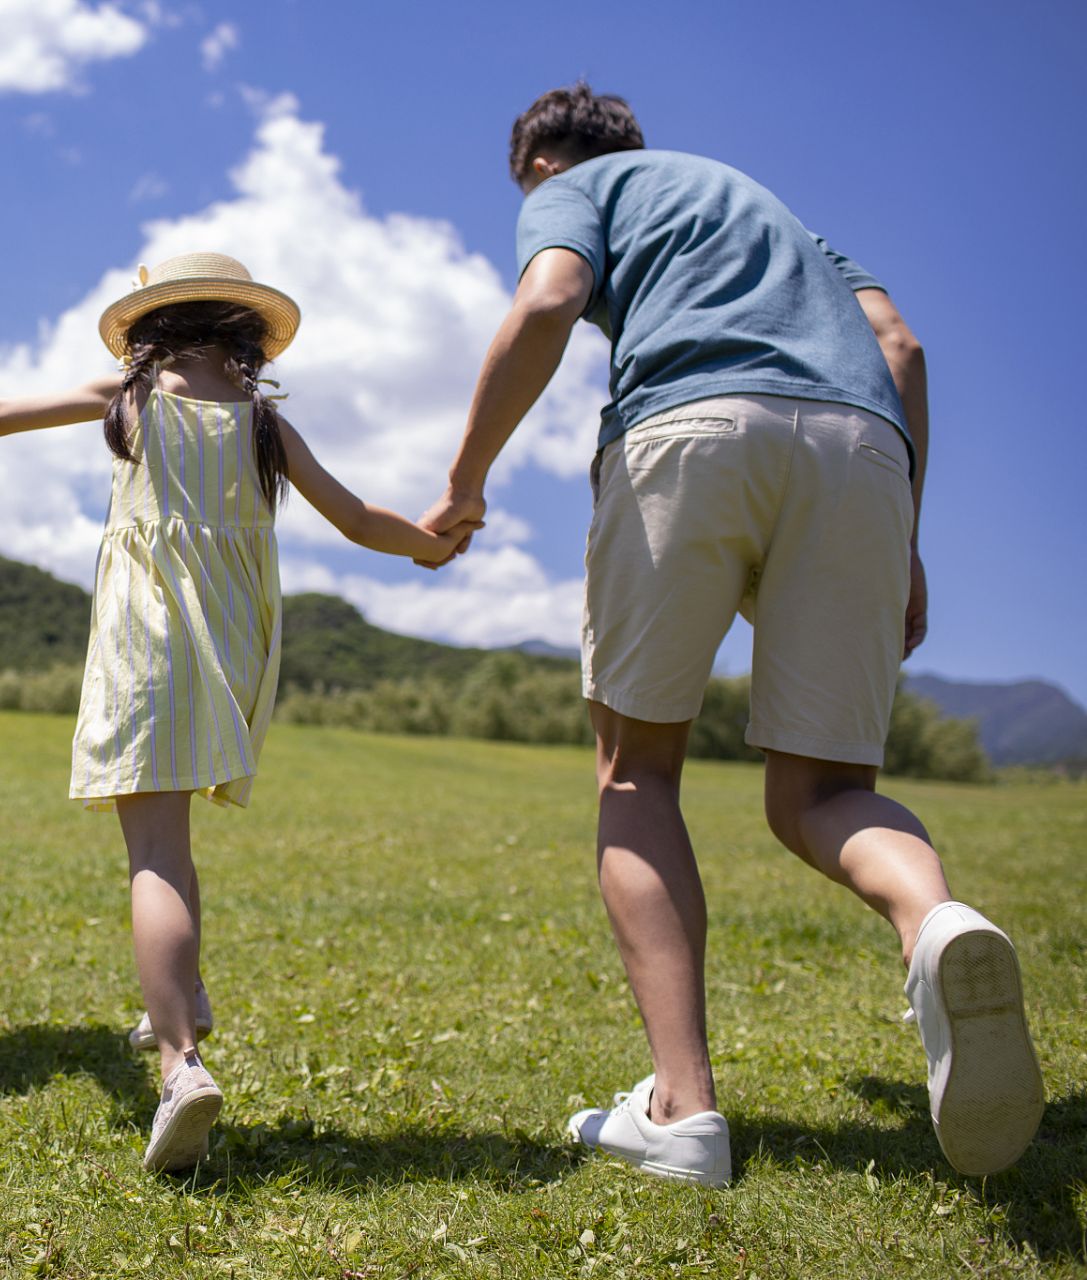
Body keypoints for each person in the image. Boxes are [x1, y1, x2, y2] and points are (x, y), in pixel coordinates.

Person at [419, 84, 1044, 1185]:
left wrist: (463, 482)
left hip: (694, 428)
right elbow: (900, 346)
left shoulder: (578, 188)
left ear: (538, 166)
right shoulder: (778, 217)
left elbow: (553, 298)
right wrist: (904, 537)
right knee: (824, 792)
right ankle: (934, 918)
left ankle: (684, 1111)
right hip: (862, 456)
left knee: (635, 776)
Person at [0, 253, 459, 1172]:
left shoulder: (129, 395)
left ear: (150, 327)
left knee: (155, 854)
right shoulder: (264, 423)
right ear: (245, 334)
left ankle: (181, 1066)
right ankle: (185, 1000)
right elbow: (359, 518)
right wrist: (430, 547)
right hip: (233, 646)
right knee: (176, 845)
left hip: (146, 644)